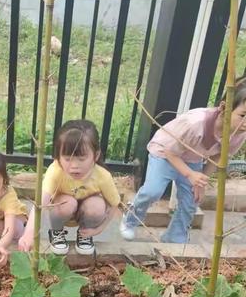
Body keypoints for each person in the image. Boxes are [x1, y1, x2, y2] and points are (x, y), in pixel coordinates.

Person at [120, 79, 246, 243]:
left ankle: (175, 237)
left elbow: (219, 155)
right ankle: (130, 219)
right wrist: (190, 174)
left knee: (191, 200)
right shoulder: (196, 124)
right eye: (242, 115)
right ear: (223, 108)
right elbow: (170, 152)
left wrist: (200, 181)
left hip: (192, 159)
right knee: (153, 191)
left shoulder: (239, 133)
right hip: (165, 153)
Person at [18, 119, 121, 255]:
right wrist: (28, 234)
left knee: (97, 205)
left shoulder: (102, 176)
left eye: (81, 159)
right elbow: (40, 203)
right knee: (68, 202)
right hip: (62, 210)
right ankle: (57, 232)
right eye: (67, 159)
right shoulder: (55, 171)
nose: (74, 166)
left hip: (87, 212)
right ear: (58, 157)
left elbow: (114, 205)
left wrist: (98, 230)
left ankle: (84, 235)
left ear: (96, 155)